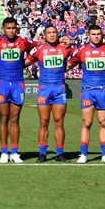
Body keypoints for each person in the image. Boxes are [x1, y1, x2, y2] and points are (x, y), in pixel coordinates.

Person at [0, 17, 35, 163]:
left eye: (14, 28)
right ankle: (4, 152)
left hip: (18, 84)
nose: (11, 30)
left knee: (15, 119)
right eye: (8, 28)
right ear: (3, 29)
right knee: (3, 118)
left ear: (17, 28)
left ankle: (14, 152)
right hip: (1, 84)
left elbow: (38, 45)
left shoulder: (23, 41)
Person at [67, 25, 105, 164]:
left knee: (103, 122)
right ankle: (83, 154)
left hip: (103, 90)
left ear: (102, 35)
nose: (96, 36)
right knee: (87, 123)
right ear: (88, 35)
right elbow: (69, 64)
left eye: (98, 34)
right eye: (93, 34)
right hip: (88, 91)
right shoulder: (82, 51)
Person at [24, 25, 72, 163]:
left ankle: (60, 153)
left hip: (59, 89)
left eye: (54, 32)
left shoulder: (64, 49)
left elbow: (78, 56)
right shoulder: (39, 50)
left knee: (59, 122)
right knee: (44, 122)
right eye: (49, 33)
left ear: (58, 34)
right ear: (44, 36)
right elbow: (24, 63)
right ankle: (42, 153)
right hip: (44, 89)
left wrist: (69, 43)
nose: (52, 35)